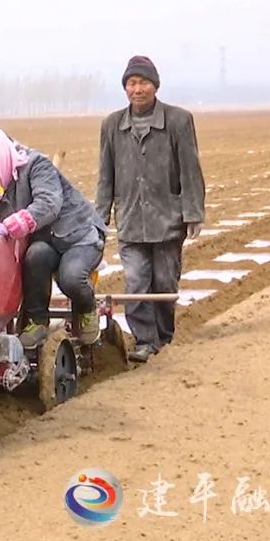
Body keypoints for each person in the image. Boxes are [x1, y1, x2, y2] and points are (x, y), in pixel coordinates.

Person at [95, 55, 206, 363]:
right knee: (135, 282)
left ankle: (163, 338)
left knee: (164, 282)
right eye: (131, 83)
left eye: (143, 82)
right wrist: (98, 220)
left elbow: (190, 170)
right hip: (131, 220)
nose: (137, 89)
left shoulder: (178, 121)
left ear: (155, 86)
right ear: (125, 88)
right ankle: (145, 341)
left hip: (167, 219)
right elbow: (106, 177)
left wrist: (193, 212)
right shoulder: (112, 125)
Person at [0, 127, 106, 348]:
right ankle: (38, 322)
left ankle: (87, 309)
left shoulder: (35, 164)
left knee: (72, 277)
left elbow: (50, 203)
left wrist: (16, 223)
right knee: (34, 258)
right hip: (47, 241)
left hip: (79, 235)